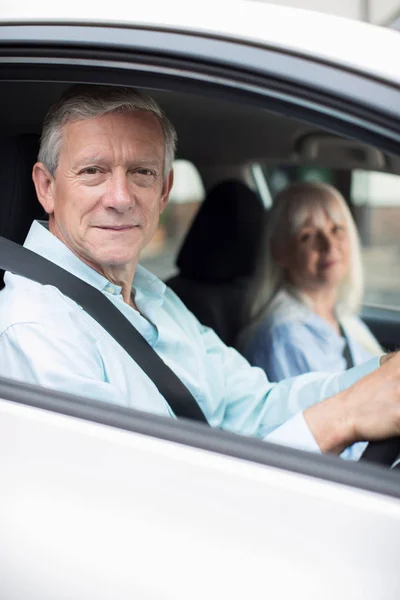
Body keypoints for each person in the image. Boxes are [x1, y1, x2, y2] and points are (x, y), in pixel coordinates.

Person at [0, 84, 399, 462]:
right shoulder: (35, 328)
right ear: (46, 187)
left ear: (164, 191)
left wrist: (377, 378)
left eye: (142, 172)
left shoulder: (154, 297)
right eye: (92, 171)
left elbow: (255, 407)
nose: (120, 198)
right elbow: (140, 502)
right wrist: (344, 417)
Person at [241, 181, 382, 382]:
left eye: (336, 229)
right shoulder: (284, 336)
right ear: (279, 252)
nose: (329, 245)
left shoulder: (343, 319)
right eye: (308, 236)